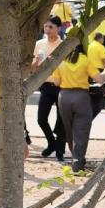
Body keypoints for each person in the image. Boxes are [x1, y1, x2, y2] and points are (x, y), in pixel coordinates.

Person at [55, 33, 105, 170]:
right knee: (81, 131)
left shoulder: (61, 60)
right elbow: (99, 79)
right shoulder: (85, 60)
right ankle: (78, 163)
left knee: (69, 130)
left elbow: (56, 81)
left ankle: (75, 157)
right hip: (81, 97)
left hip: (64, 97)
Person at [32, 16, 67, 159]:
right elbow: (33, 67)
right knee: (41, 119)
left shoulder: (64, 45)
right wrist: (37, 61)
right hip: (45, 85)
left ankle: (60, 151)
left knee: (62, 120)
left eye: (51, 27)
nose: (47, 29)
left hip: (61, 86)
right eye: (45, 26)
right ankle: (52, 143)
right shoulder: (39, 44)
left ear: (59, 28)